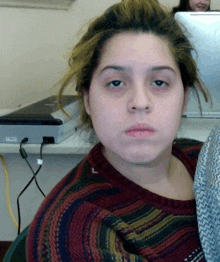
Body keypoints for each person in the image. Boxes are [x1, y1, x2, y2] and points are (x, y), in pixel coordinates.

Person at [26, 0, 211, 261]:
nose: (140, 102)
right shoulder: (75, 234)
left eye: (159, 81)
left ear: (184, 98)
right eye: (115, 82)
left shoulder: (204, 159)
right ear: (88, 99)